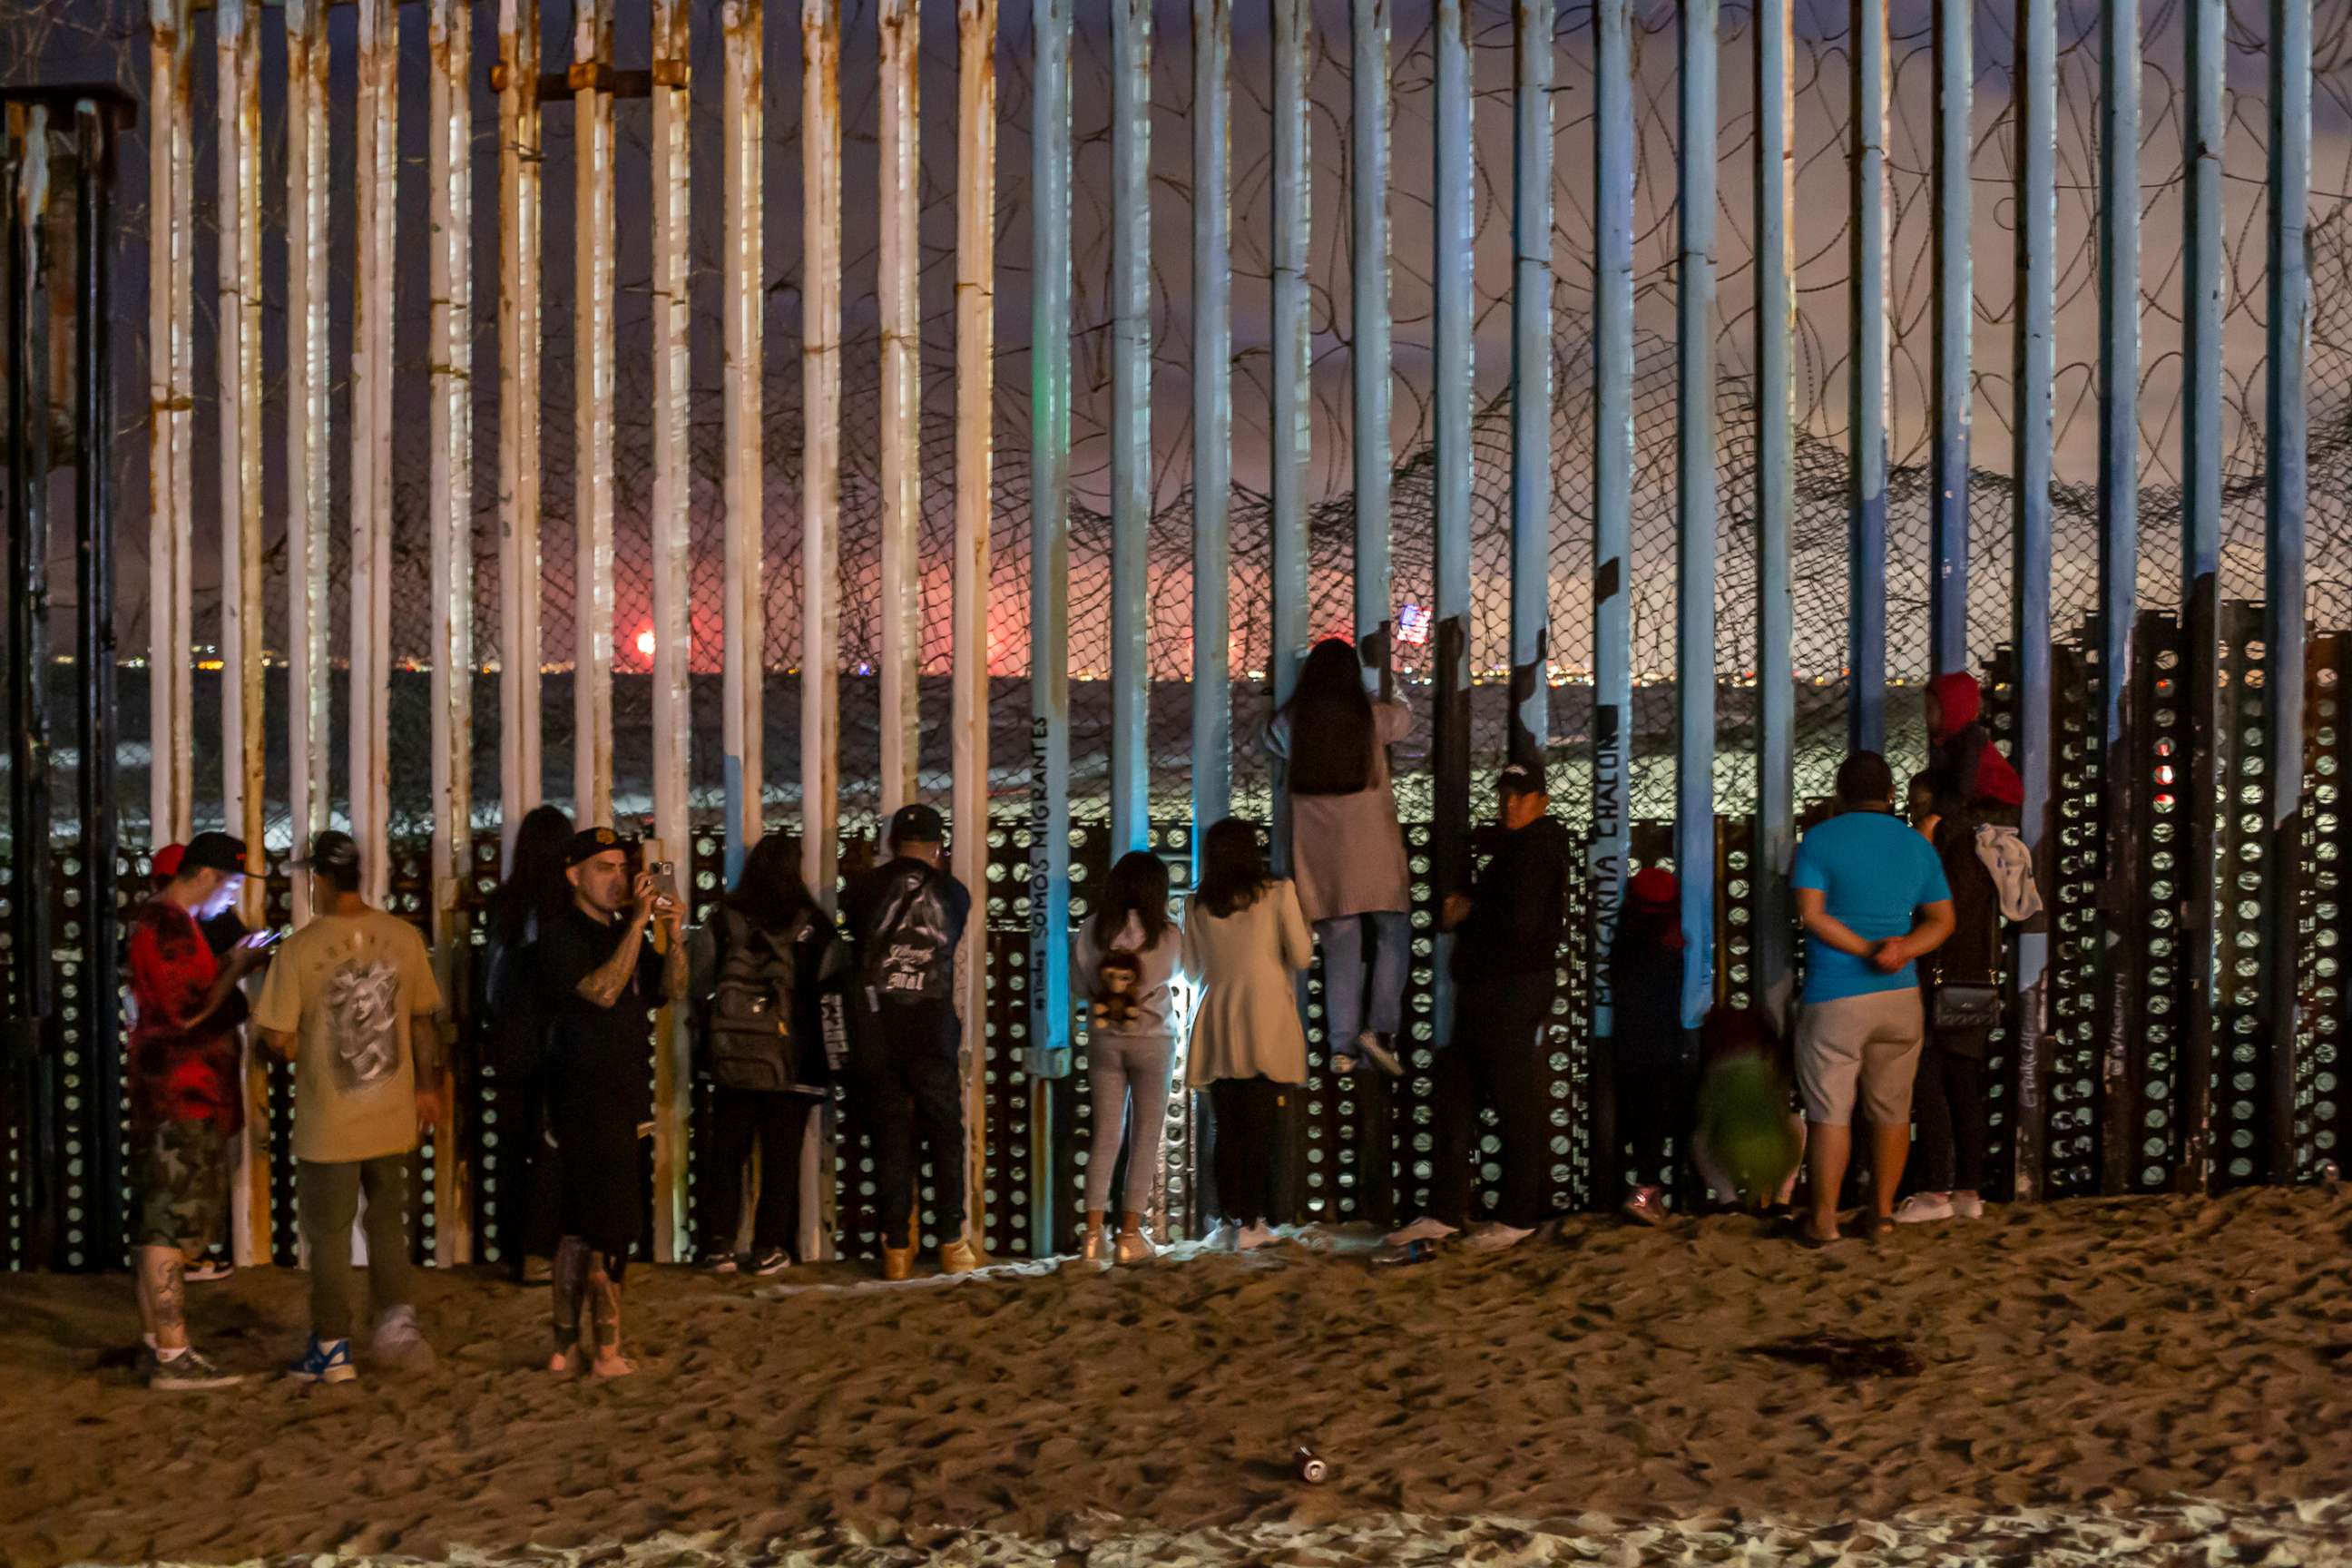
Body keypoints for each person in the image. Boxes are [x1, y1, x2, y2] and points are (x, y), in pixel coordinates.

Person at [251, 831, 446, 1385]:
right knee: (388, 1221)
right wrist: (426, 1089)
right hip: (392, 1112)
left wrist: (262, 1041)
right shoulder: (403, 938)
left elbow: (279, 1041)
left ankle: (333, 1347)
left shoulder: (299, 949)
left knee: (330, 1234)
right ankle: (397, 1324)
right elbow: (422, 1020)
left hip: (329, 1120)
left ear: (320, 879)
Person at [1388, 761, 1573, 1253]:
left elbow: (1518, 926)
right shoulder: (1520, 850)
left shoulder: (1533, 852)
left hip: (1508, 989)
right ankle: (1447, 1212)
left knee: (1511, 1100)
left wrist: (1470, 912)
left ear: (1542, 802)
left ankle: (1515, 1216)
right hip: (1492, 990)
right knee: (1458, 1093)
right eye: (1506, 795)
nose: (1510, 804)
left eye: (1521, 796)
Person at [534, 827, 688, 1376]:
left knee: (583, 1230)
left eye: (623, 868)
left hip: (623, 1097)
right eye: (604, 868)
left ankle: (565, 1347)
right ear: (574, 875)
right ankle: (604, 1350)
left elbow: (671, 991)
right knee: (604, 1231)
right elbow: (601, 991)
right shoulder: (559, 934)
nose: (618, 879)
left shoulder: (626, 931)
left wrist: (673, 932)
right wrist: (641, 924)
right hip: (584, 1099)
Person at [123, 831, 270, 1390]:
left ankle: (157, 1345)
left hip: (174, 1092)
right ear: (206, 875)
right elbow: (188, 1013)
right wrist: (236, 966)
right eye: (230, 882)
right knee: (170, 1222)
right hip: (181, 1094)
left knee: (159, 1220)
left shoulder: (163, 923)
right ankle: (173, 1352)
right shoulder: (168, 926)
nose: (231, 897)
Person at [1791, 751, 1955, 1246]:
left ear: (1840, 795)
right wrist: (1900, 949)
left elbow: (1811, 915)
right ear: (1890, 796)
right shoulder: (1915, 846)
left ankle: (1824, 1220)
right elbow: (1943, 921)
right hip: (1899, 997)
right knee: (1891, 1111)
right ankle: (1882, 1216)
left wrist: (1864, 950)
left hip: (1834, 997)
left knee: (1830, 1112)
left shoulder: (1818, 841)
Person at [690, 834, 845, 1275]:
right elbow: (830, 990)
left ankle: (718, 1246)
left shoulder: (724, 919)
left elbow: (698, 982)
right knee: (781, 1159)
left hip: (731, 1061)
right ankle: (767, 1248)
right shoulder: (814, 925)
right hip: (793, 1063)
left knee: (726, 1154)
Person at [840, 803, 978, 1281]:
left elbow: (855, 933)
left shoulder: (862, 890)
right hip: (932, 1025)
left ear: (892, 843)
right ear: (938, 846)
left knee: (890, 1135)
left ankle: (896, 1245)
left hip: (877, 1027)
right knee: (944, 1132)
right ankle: (951, 1239)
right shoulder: (954, 894)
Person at [1268, 638, 1412, 1079]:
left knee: (1340, 945)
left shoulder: (1296, 723)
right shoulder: (1369, 717)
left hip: (1323, 864)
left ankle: (1342, 1047)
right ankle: (1381, 1031)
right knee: (1393, 931)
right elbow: (1406, 719)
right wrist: (1389, 683)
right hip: (1375, 854)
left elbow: (1267, 736)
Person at [1180, 819, 1313, 1251]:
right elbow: (1302, 953)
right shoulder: (1277, 894)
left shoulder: (1196, 905)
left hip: (1217, 1019)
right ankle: (1254, 1223)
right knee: (1258, 1128)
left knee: (1228, 1127)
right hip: (1264, 1018)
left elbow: (1191, 970)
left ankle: (1230, 1218)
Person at [1897, 765, 2004, 1226]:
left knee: (1929, 1082)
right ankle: (1968, 1191)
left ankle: (1936, 1189)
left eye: (1916, 801)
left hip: (1937, 981)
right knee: (1965, 1087)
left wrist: (1919, 841)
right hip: (1974, 982)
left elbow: (1925, 904)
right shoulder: (1980, 844)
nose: (1910, 809)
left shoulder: (1945, 848)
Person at [479, 804, 576, 1280]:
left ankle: (511, 1245)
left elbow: (492, 984)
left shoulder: (504, 904)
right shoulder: (566, 906)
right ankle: (544, 1248)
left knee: (513, 1145)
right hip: (559, 1042)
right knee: (555, 1146)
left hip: (511, 1042)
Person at [1073, 850, 1183, 1266]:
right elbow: (1178, 974)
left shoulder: (1091, 931)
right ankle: (1130, 1237)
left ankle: (1091, 1237)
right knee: (1145, 1136)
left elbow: (1082, 987)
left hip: (1104, 1040)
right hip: (1154, 1039)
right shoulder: (1168, 935)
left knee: (1106, 1136)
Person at [1612, 865, 1695, 1227]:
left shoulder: (1624, 936)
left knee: (1636, 1120)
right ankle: (1646, 1195)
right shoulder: (1674, 939)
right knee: (1658, 1123)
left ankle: (1643, 1193)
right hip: (1664, 1045)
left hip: (1627, 1044)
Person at [1923, 671, 2024, 819]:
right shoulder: (1946, 739)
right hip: (1982, 803)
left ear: (1952, 709)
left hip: (1996, 806)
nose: (1925, 715)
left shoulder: (1969, 738)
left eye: (1930, 709)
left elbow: (1963, 785)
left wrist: (1934, 817)